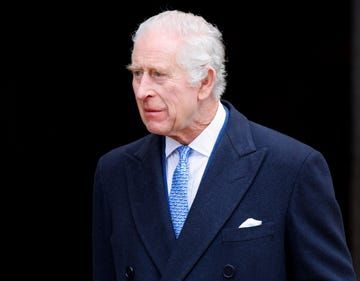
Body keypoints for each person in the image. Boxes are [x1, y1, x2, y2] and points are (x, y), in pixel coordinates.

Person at [93, 10, 357, 281]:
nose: (141, 90)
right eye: (137, 73)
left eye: (158, 74)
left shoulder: (291, 167)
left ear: (205, 82)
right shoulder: (114, 171)